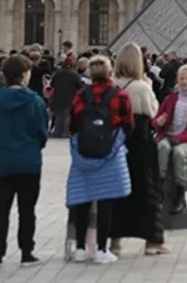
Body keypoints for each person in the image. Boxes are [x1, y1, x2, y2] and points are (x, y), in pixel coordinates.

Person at [66, 55, 134, 265]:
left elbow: (72, 125)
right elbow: (128, 125)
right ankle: (102, 249)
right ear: (110, 73)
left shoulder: (80, 95)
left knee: (82, 202)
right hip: (110, 155)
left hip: (84, 155)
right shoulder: (121, 95)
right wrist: (115, 144)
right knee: (106, 204)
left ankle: (79, 248)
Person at [0, 54, 48, 267]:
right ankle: (27, 252)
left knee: (0, 210)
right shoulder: (36, 101)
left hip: (2, 162)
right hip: (29, 162)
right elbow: (42, 133)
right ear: (23, 75)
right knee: (27, 210)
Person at [108, 43, 169, 256]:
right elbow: (153, 112)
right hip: (140, 144)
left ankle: (114, 240)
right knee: (146, 191)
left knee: (116, 191)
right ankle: (153, 241)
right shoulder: (142, 87)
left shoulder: (111, 85)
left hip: (116, 144)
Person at [155, 64, 187, 214]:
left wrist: (180, 138)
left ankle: (180, 194)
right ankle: (160, 190)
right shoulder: (170, 98)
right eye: (182, 79)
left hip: (186, 140)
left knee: (179, 153)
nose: (184, 82)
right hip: (167, 136)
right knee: (162, 148)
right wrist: (158, 122)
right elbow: (157, 118)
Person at [49, 56, 83, 139]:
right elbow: (80, 86)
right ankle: (65, 133)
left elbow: (52, 84)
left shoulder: (57, 73)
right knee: (67, 116)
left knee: (58, 117)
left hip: (58, 98)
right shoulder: (74, 74)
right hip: (70, 98)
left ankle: (57, 133)